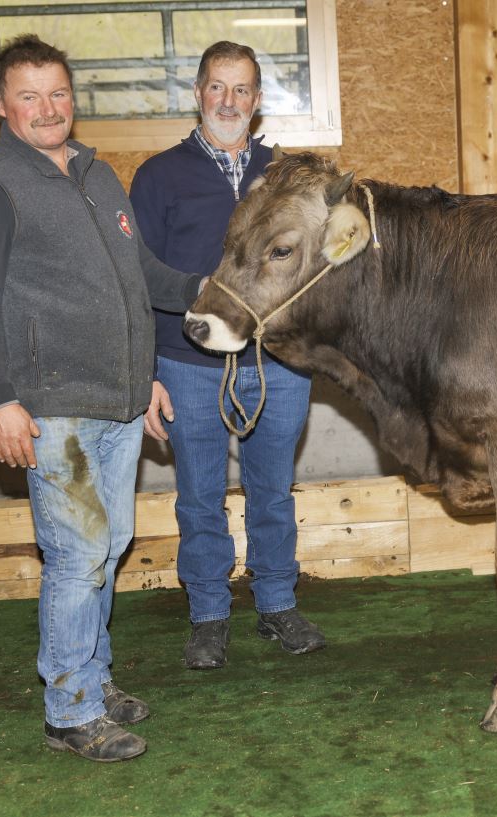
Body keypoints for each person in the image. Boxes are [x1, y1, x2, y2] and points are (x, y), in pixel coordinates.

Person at [0, 35, 204, 762]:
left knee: (108, 546)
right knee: (79, 555)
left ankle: (91, 675)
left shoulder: (98, 174)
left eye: (57, 92)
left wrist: (190, 308)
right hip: (49, 407)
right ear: (1, 105)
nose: (47, 108)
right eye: (29, 96)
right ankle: (69, 711)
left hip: (119, 401)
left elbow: (138, 277)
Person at [129, 41, 323, 672]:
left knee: (272, 490)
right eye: (218, 87)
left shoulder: (288, 177)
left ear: (258, 100)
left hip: (278, 364)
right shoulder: (159, 176)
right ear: (198, 92)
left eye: (242, 90)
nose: (229, 101)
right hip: (188, 364)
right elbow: (140, 277)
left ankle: (277, 604)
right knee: (199, 495)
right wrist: (147, 373)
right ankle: (209, 616)